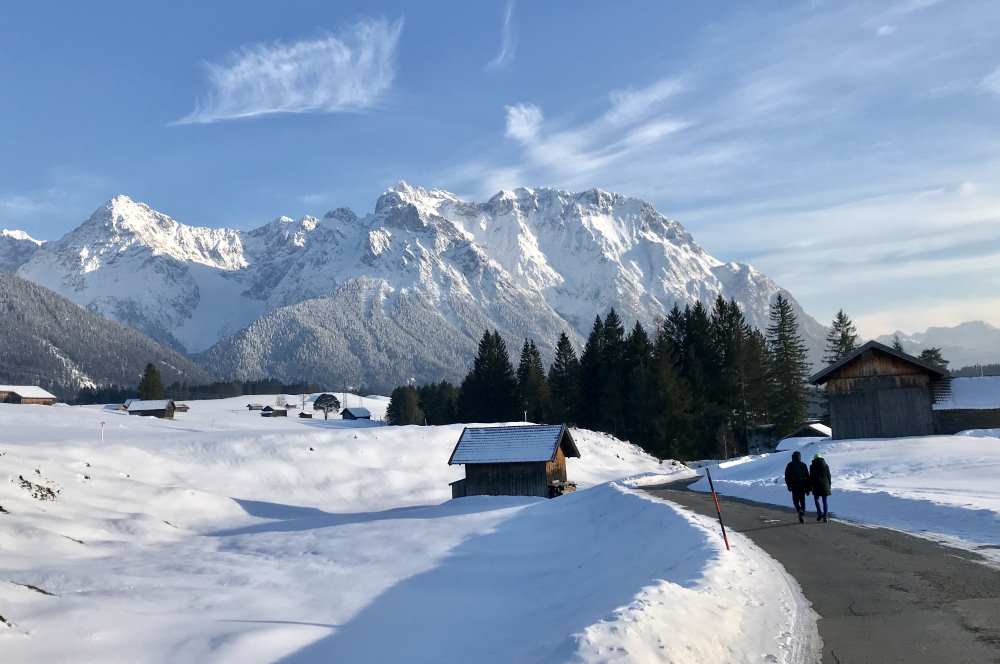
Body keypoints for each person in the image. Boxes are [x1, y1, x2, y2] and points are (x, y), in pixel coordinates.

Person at [784, 450, 810, 523]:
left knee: (795, 501)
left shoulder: (790, 465)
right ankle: (802, 512)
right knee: (802, 500)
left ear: (792, 457)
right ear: (799, 457)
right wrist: (808, 488)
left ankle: (799, 510)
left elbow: (787, 476)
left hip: (794, 486)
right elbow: (807, 477)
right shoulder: (803, 465)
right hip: (803, 485)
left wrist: (788, 485)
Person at [810, 453, 832, 522]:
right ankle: (825, 517)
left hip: (816, 485)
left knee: (816, 500)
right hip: (825, 485)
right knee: (824, 501)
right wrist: (829, 485)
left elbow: (811, 477)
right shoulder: (826, 465)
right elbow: (829, 476)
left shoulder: (812, 466)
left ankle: (819, 514)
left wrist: (811, 486)